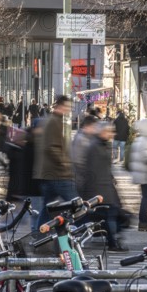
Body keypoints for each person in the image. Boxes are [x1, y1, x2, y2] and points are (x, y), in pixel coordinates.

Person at [81, 122, 127, 252]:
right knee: (109, 216)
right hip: (100, 189)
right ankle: (113, 243)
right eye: (109, 131)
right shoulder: (95, 146)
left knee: (109, 216)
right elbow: (91, 170)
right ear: (101, 132)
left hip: (106, 187)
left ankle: (112, 241)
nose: (112, 134)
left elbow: (106, 167)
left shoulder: (103, 145)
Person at [35, 95, 77, 229]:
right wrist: (65, 163)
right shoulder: (54, 122)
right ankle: (79, 230)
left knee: (48, 208)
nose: (69, 109)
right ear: (59, 106)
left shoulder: (53, 120)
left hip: (49, 173)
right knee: (76, 204)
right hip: (58, 174)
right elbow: (52, 147)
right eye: (67, 107)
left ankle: (38, 234)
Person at [71, 115, 99, 195]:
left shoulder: (87, 137)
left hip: (85, 179)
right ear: (87, 126)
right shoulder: (81, 139)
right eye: (93, 127)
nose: (95, 129)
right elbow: (79, 162)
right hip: (82, 180)